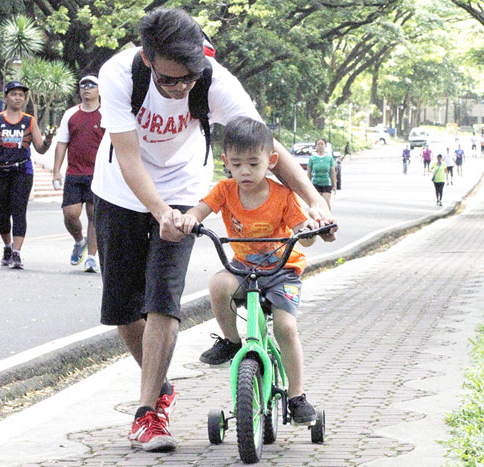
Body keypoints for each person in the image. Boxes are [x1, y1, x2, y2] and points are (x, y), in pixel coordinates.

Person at [90, 8, 336, 452]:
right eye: (170, 79)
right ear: (148, 59)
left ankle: (148, 414)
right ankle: (159, 385)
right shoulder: (118, 75)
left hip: (186, 193)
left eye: (189, 78)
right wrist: (158, 210)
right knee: (124, 309)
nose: (182, 86)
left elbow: (267, 146)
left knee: (162, 299)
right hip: (120, 192)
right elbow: (128, 159)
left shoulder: (213, 79)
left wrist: (314, 201)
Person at [180, 117, 320, 425]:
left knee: (285, 328)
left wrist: (308, 230)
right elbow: (199, 210)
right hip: (244, 268)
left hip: (283, 270)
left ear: (271, 162)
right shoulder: (225, 190)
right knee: (218, 284)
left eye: (253, 164)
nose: (244, 171)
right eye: (237, 163)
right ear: (225, 162)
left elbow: (303, 233)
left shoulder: (283, 195)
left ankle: (297, 396)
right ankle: (232, 341)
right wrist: (189, 219)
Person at [0, 81, 54, 269]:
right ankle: (7, 246)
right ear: (6, 97)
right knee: (2, 214)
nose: (18, 97)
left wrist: (48, 141)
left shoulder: (29, 121)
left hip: (22, 171)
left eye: (21, 95)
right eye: (14, 94)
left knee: (19, 211)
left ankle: (17, 253)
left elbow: (40, 149)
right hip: (0, 170)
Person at [53, 75, 104, 273]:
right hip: (74, 173)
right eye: (83, 85)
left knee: (94, 215)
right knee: (70, 215)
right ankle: (79, 241)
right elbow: (62, 143)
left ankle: (91, 257)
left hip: (98, 174)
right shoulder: (71, 114)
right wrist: (56, 171)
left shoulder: (107, 113)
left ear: (99, 90)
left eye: (92, 85)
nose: (87, 88)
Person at [306, 138, 337, 209]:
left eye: (322, 144)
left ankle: (328, 218)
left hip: (326, 183)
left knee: (326, 203)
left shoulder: (329, 158)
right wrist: (308, 185)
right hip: (315, 183)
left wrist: (334, 185)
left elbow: (332, 173)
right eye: (318, 144)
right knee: (317, 204)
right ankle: (318, 219)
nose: (320, 146)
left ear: (325, 145)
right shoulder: (312, 158)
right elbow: (309, 173)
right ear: (316, 146)